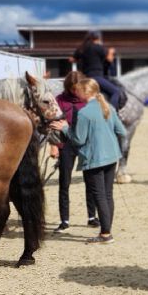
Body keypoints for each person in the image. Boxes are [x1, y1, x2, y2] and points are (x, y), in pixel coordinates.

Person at [51, 78, 127, 244]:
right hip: (112, 156)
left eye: (78, 90)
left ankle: (106, 234)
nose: (76, 93)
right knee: (108, 195)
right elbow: (121, 131)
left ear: (86, 92)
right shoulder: (108, 107)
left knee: (100, 195)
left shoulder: (84, 113)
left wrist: (64, 127)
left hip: (94, 159)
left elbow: (78, 139)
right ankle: (106, 230)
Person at [52, 70, 97, 231]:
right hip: (66, 144)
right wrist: (54, 146)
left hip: (86, 144)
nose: (74, 92)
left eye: (77, 88)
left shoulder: (88, 100)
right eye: (71, 88)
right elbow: (54, 124)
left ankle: (92, 217)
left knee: (91, 181)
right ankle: (64, 220)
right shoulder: (59, 100)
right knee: (64, 183)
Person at [72, 30, 127, 111]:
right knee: (116, 91)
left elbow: (72, 60)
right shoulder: (98, 48)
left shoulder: (82, 48)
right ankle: (111, 113)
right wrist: (111, 52)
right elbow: (109, 59)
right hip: (96, 77)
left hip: (85, 77)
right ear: (98, 38)